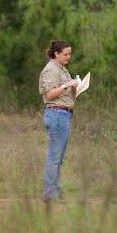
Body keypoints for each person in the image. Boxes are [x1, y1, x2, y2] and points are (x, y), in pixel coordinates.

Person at [39, 40, 80, 201]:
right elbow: (49, 95)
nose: (68, 57)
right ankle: (50, 193)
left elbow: (70, 94)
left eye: (70, 54)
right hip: (56, 114)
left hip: (65, 114)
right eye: (65, 54)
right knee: (54, 157)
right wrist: (66, 85)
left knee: (59, 157)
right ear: (56, 54)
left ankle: (55, 191)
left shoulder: (63, 70)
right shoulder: (50, 70)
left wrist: (75, 86)